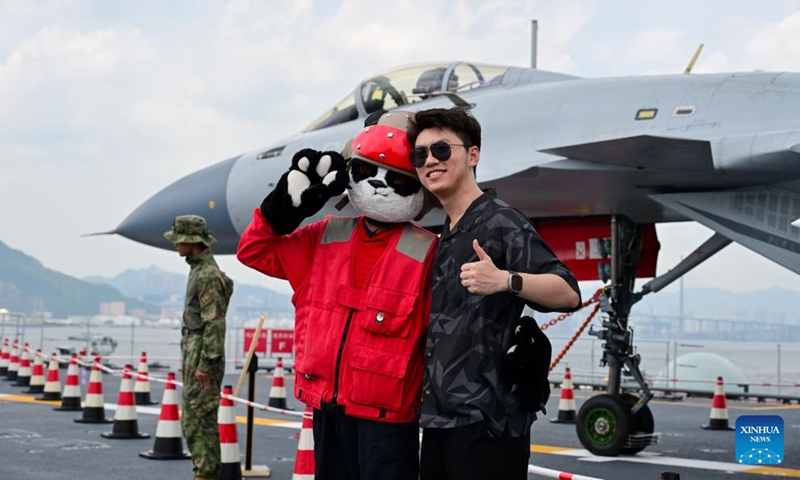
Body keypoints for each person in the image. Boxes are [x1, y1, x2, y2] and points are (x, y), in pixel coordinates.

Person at [237, 110, 438, 480]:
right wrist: (281, 211)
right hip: (328, 408)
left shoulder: (430, 253)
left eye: (397, 179)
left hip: (388, 420)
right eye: (366, 173)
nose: (379, 185)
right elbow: (254, 251)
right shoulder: (324, 235)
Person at [406, 107, 582, 480]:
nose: (430, 161)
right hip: (440, 419)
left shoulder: (500, 220)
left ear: (473, 155)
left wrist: (507, 280)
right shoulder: (446, 233)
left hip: (488, 422)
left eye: (441, 149)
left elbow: (568, 292)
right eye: (419, 155)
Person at [164, 214, 233, 480]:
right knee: (194, 418)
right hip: (194, 347)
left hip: (201, 351)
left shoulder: (206, 275)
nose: (175, 245)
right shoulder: (199, 269)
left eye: (180, 240)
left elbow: (214, 321)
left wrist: (207, 362)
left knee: (199, 420)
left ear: (193, 241)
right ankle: (203, 472)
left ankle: (205, 474)